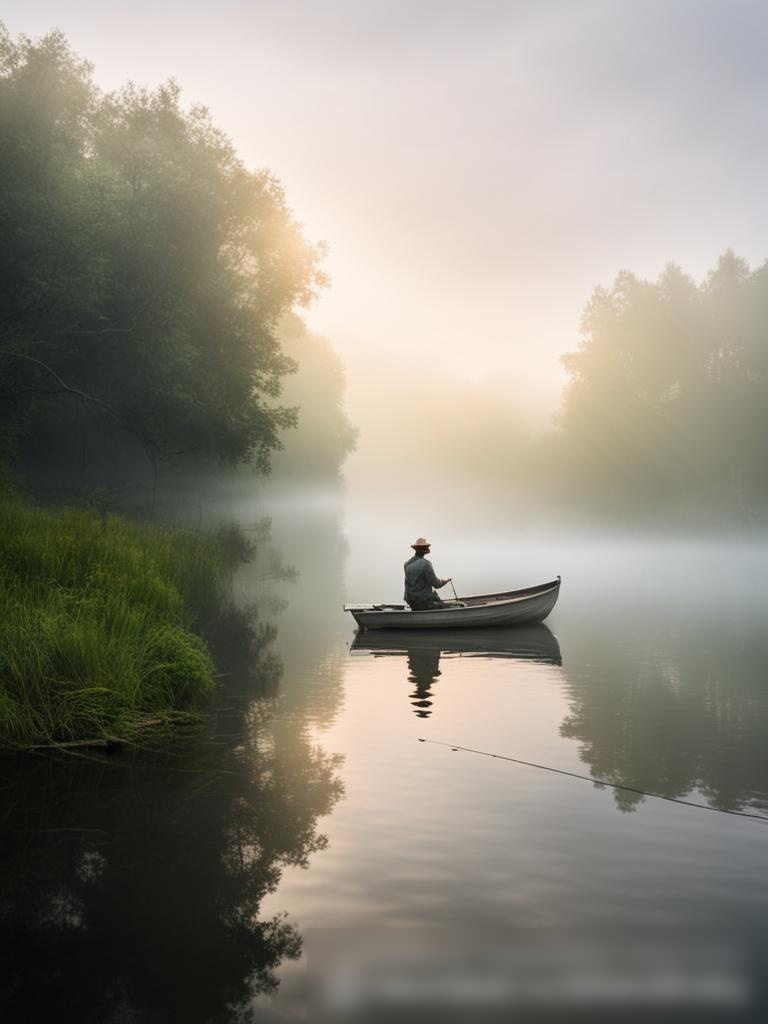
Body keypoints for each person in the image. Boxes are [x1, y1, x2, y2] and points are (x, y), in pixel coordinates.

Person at [403, 537, 451, 610]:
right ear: (425, 550)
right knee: (447, 606)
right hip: (424, 602)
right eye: (427, 547)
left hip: (412, 603)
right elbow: (436, 584)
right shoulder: (426, 564)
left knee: (434, 594)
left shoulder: (406, 564)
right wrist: (445, 581)